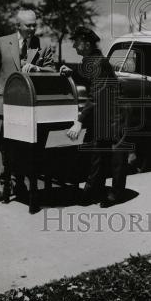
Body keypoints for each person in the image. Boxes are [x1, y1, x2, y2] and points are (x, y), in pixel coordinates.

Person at [0, 9, 55, 202]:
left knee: (23, 148)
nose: (33, 28)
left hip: (28, 107)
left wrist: (37, 68)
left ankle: (20, 185)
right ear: (17, 26)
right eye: (28, 25)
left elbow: (52, 70)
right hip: (3, 106)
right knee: (4, 149)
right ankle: (4, 187)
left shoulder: (42, 45)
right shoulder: (2, 42)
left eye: (35, 24)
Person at [61, 26, 128, 207]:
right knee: (98, 154)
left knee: (116, 156)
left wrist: (79, 122)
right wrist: (72, 72)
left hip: (113, 114)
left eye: (76, 41)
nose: (74, 45)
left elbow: (95, 97)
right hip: (103, 113)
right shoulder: (92, 60)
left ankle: (116, 194)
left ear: (87, 43)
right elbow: (86, 77)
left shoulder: (98, 62)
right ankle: (93, 190)